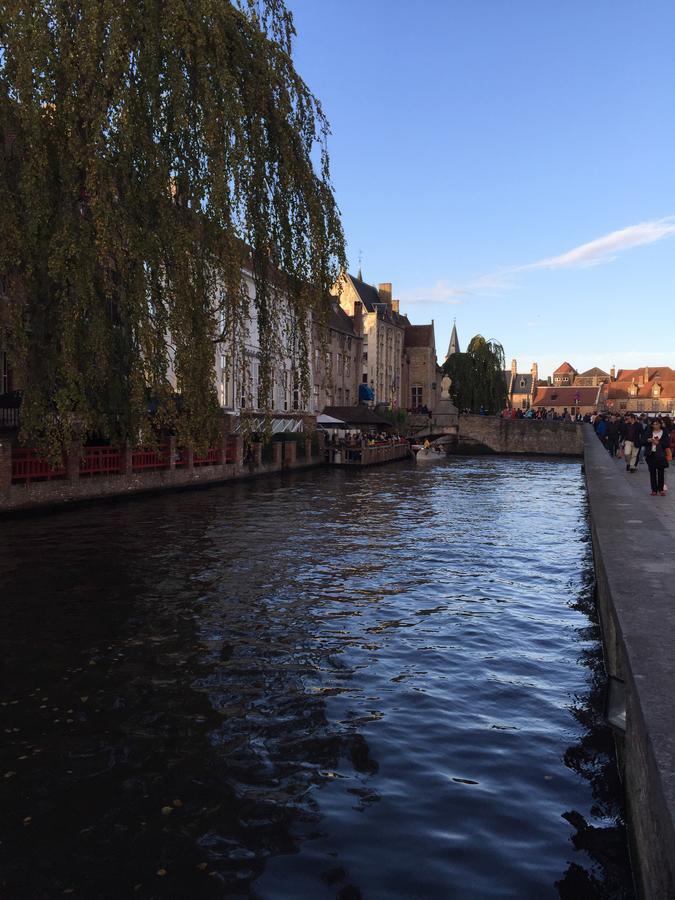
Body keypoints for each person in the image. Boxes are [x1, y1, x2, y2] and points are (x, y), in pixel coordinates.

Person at [644, 417, 669, 496]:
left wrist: (658, 443)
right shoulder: (649, 432)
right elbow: (642, 441)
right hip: (651, 454)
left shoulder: (664, 432)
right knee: (652, 473)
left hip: (661, 455)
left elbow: (667, 444)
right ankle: (654, 490)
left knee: (661, 472)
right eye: (653, 424)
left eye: (657, 424)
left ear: (660, 424)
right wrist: (649, 440)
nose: (655, 426)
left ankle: (661, 489)